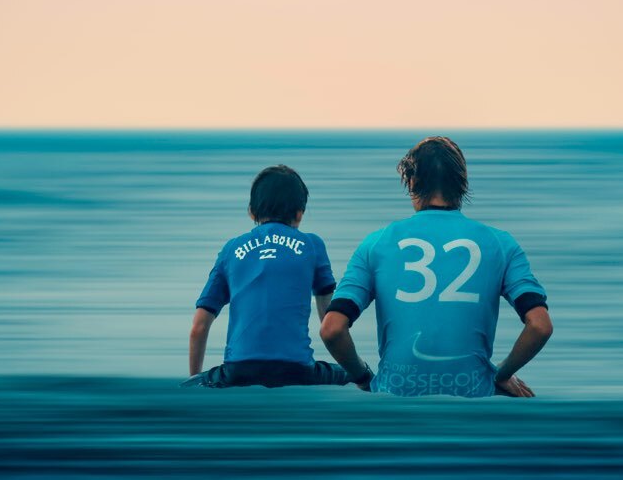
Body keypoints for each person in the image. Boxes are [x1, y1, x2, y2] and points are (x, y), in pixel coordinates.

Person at [320, 137, 553, 397]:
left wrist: (363, 377)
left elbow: (332, 329)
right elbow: (539, 326)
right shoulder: (501, 244)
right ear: (462, 185)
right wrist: (501, 375)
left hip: (394, 396)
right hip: (473, 397)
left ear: (412, 182)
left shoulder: (376, 244)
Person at [184, 165, 352, 388]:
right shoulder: (313, 245)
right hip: (297, 369)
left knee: (196, 383)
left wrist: (195, 380)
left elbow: (198, 328)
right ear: (299, 213)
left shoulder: (231, 249)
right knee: (352, 373)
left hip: (238, 370)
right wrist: (356, 371)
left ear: (251, 212)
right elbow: (330, 327)